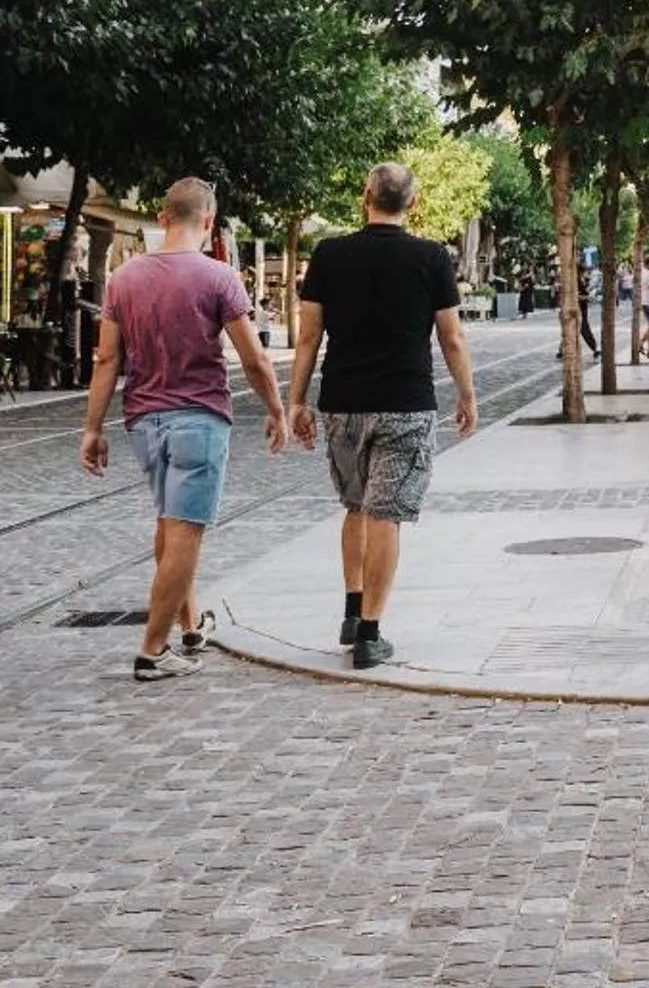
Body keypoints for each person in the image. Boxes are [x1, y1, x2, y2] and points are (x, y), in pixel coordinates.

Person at [79, 177, 287, 681]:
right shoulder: (219, 277)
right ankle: (153, 650)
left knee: (169, 524)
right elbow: (253, 358)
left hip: (143, 421)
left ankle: (191, 624)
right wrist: (277, 409)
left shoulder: (123, 279)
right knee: (186, 531)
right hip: (199, 417)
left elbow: (107, 358)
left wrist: (91, 428)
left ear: (163, 218)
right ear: (209, 221)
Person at [286, 161, 477, 672]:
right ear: (412, 203)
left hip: (343, 403)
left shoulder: (328, 255)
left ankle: (352, 609)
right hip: (405, 404)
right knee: (385, 514)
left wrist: (296, 401)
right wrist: (466, 396)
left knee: (355, 505)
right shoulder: (431, 257)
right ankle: (370, 634)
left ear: (365, 195)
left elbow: (308, 337)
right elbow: (451, 337)